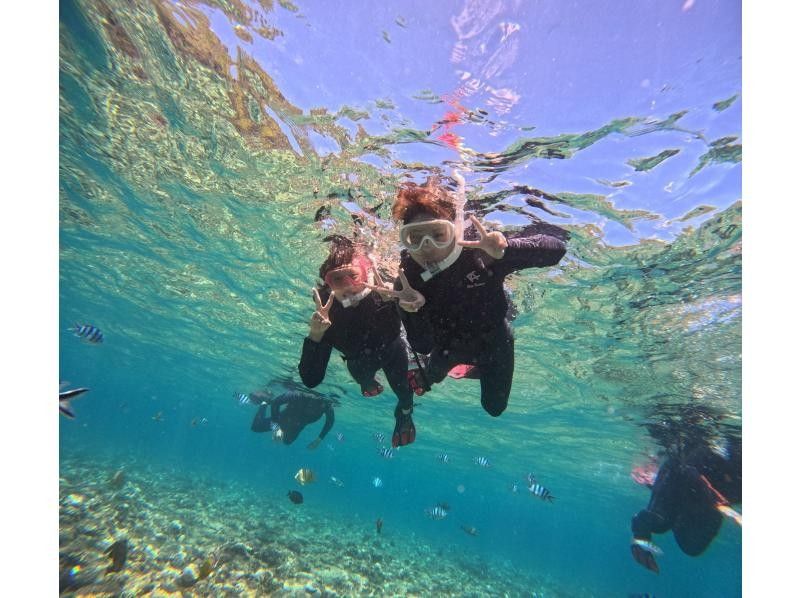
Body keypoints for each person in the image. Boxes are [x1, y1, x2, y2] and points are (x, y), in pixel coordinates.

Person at [377, 177, 567, 417]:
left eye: (438, 234)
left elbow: (557, 251)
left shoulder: (481, 253)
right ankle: (454, 369)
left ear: (455, 230)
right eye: (415, 238)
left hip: (494, 344)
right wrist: (411, 310)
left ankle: (473, 370)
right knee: (429, 377)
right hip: (445, 348)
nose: (427, 247)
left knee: (494, 408)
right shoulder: (408, 279)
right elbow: (422, 345)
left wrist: (507, 248)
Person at [298, 236, 417, 447]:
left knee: (404, 394)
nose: (348, 286)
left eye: (353, 275)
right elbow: (311, 380)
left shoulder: (386, 292)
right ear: (327, 284)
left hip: (393, 350)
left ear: (367, 272)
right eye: (337, 280)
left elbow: (423, 331)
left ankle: (404, 414)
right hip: (358, 361)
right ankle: (366, 382)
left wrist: (404, 304)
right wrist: (316, 334)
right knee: (361, 374)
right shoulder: (328, 313)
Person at [630, 435, 742, 573]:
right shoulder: (733, 492)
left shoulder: (664, 514)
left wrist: (640, 539)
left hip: (693, 462)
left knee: (663, 523)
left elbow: (686, 468)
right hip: (709, 468)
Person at [250, 390, 336, 449]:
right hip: (282, 419)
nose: (322, 405)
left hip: (298, 426)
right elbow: (276, 402)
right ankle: (264, 403)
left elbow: (330, 422)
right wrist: (277, 427)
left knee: (287, 442)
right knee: (256, 427)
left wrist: (319, 440)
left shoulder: (327, 405)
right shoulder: (299, 395)